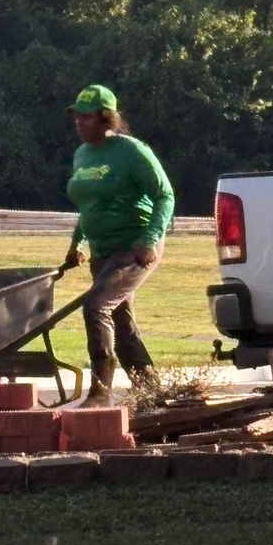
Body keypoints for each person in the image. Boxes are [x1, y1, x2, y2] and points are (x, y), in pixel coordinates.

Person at [62, 84, 175, 406]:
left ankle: (100, 393)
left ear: (106, 118)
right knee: (122, 327)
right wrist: (77, 243)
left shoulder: (131, 151)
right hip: (101, 251)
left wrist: (149, 240)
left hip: (134, 249)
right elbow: (88, 206)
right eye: (76, 117)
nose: (79, 123)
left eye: (86, 117)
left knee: (96, 307)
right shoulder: (82, 155)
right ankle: (153, 394)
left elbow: (165, 195)